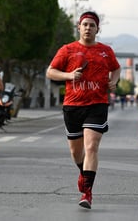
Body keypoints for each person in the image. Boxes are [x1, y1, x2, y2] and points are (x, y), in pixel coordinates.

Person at [46, 11, 121, 209]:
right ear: (79, 27)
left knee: (91, 147)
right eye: (85, 24)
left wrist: (113, 82)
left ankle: (87, 192)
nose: (88, 28)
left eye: (92, 25)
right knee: (76, 152)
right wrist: (69, 75)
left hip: (97, 105)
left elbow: (116, 68)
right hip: (72, 105)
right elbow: (50, 71)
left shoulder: (106, 51)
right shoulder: (67, 50)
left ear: (98, 29)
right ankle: (83, 171)